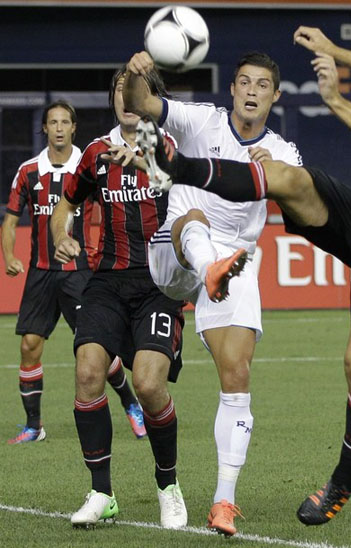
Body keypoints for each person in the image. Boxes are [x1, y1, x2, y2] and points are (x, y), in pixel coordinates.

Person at [135, 26, 351, 525]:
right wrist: (334, 51)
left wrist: (336, 100)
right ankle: (182, 166)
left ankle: (341, 484)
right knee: (288, 176)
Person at [122, 50, 302, 536]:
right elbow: (143, 106)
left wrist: (276, 178)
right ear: (233, 89)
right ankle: (210, 267)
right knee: (194, 219)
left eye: (262, 85)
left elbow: (302, 196)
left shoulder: (282, 152)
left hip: (238, 257)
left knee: (237, 375)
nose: (250, 90)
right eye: (243, 81)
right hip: (175, 254)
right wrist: (137, 74)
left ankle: (224, 501)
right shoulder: (202, 121)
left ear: (275, 96)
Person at [50, 68, 187, 529]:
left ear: (153, 99)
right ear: (112, 100)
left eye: (137, 92)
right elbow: (66, 204)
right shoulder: (93, 154)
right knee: (88, 372)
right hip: (106, 282)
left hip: (159, 284)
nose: (127, 99)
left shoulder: (170, 148)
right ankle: (101, 493)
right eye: (120, 92)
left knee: (148, 385)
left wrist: (144, 158)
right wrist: (59, 235)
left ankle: (168, 485)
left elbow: (189, 190)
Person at [1, 100, 146, 445]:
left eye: (66, 121)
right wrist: (8, 255)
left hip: (79, 273)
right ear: (45, 128)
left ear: (74, 128)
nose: (60, 128)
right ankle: (34, 426)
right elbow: (9, 221)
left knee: (98, 350)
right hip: (40, 273)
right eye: (54, 122)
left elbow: (106, 208)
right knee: (29, 345)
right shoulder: (28, 172)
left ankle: (131, 405)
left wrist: (101, 251)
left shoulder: (89, 165)